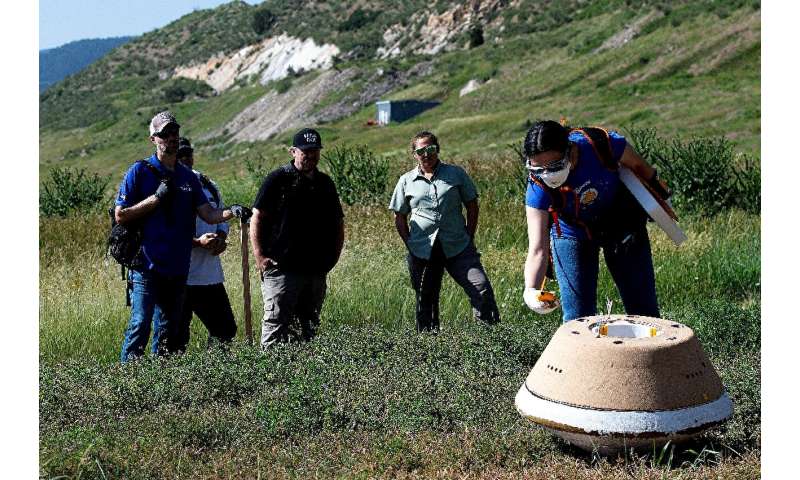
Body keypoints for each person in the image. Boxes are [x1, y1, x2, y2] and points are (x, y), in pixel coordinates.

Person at [114, 111, 251, 362]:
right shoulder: (139, 171)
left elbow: (208, 213)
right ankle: (127, 383)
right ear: (153, 139)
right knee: (141, 324)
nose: (172, 138)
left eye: (175, 133)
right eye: (165, 134)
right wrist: (156, 198)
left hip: (177, 269)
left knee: (168, 330)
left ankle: (161, 382)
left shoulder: (188, 177)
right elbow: (121, 215)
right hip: (146, 264)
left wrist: (233, 211)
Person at [522, 120, 670, 322]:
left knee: (644, 311)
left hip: (622, 223)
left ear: (570, 150)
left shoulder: (600, 144)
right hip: (571, 232)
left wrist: (659, 201)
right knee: (577, 318)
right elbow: (538, 248)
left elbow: (640, 167)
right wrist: (530, 291)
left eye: (554, 165)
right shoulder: (537, 186)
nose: (547, 174)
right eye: (539, 169)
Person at [389, 130, 500, 332]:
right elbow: (399, 216)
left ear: (437, 149)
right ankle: (430, 348)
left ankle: (490, 340)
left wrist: (469, 234)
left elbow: (472, 205)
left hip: (457, 245)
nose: (426, 154)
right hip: (423, 250)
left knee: (481, 288)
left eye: (430, 149)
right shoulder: (406, 180)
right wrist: (410, 244)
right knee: (426, 301)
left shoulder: (455, 174)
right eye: (420, 150)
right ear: (414, 154)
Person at [249, 128, 345, 349]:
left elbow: (338, 222)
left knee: (308, 325)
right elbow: (257, 217)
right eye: (305, 151)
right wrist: (260, 256)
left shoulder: (325, 183)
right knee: (276, 323)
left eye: (315, 151)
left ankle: (302, 375)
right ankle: (268, 377)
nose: (310, 155)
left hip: (315, 270)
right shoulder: (277, 179)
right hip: (281, 268)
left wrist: (333, 258)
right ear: (293, 151)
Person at [171, 137, 238, 352]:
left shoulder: (208, 184)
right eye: (180, 156)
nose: (185, 160)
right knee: (175, 338)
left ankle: (212, 375)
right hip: (177, 276)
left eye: (188, 155)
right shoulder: (164, 186)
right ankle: (175, 381)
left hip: (208, 275)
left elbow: (220, 217)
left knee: (225, 329)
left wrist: (220, 239)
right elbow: (163, 233)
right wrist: (197, 242)